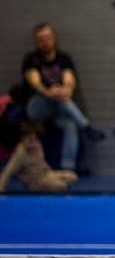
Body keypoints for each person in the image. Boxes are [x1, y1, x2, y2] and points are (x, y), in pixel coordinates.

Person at [22, 22, 104, 172]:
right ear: (36, 41)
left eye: (47, 38)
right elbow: (34, 82)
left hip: (59, 107)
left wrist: (65, 90)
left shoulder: (63, 58)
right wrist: (48, 92)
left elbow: (69, 79)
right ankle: (85, 126)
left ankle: (68, 168)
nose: (45, 42)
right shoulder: (31, 59)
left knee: (70, 125)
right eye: (41, 39)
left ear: (53, 38)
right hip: (37, 107)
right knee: (56, 96)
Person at [0, 121, 78, 192]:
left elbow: (41, 162)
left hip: (46, 175)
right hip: (35, 182)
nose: (33, 142)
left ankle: (54, 184)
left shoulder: (37, 145)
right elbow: (7, 172)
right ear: (22, 139)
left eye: (34, 138)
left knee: (73, 177)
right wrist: (1, 189)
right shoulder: (20, 154)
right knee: (61, 186)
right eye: (30, 139)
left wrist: (50, 172)